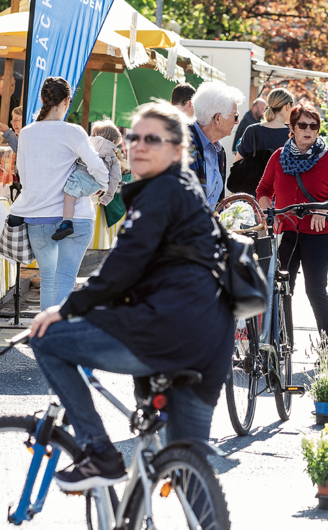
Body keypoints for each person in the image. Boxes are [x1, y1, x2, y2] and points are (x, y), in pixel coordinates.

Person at [28, 101, 234, 490]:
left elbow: (124, 266)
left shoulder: (161, 192)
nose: (137, 145)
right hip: (211, 340)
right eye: (134, 137)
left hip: (169, 331)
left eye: (152, 139)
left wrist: (63, 310)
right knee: (190, 472)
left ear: (177, 149)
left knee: (47, 340)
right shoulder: (186, 189)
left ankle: (99, 453)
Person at [11, 77, 108, 310]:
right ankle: (53, 338)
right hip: (75, 217)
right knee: (65, 279)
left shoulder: (26, 133)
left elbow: (23, 176)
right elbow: (97, 167)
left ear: (43, 99)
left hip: (38, 218)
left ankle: (43, 337)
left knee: (49, 281)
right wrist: (101, 183)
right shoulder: (72, 131)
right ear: (66, 101)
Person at [256, 101, 328, 335]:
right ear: (292, 128)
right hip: (286, 233)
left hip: (318, 235)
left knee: (316, 290)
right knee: (283, 289)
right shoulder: (278, 157)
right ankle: (280, 342)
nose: (308, 130)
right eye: (302, 125)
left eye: (313, 126)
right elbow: (263, 190)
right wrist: (269, 213)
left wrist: (323, 209)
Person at [51, 120, 125, 240]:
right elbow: (116, 178)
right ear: (113, 142)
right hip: (96, 185)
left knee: (69, 198)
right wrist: (108, 195)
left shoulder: (88, 144)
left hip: (81, 177)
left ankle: (67, 223)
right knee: (80, 193)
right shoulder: (114, 158)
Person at [189, 81, 244, 209]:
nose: (237, 122)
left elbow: (216, 201)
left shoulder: (219, 150)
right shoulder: (185, 145)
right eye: (235, 116)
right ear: (217, 118)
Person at [228, 88, 294, 195]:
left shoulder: (252, 130)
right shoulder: (291, 135)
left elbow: (237, 165)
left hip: (251, 197)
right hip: (279, 200)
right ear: (287, 106)